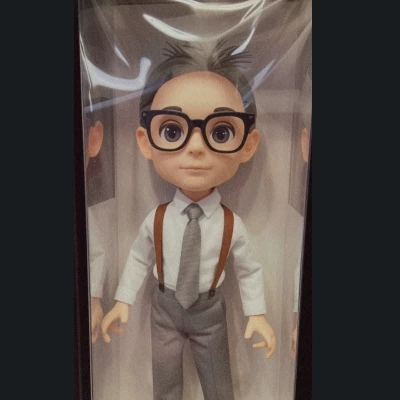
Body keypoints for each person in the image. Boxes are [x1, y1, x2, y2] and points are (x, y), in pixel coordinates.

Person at [101, 42, 276, 400]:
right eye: (172, 131)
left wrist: (257, 314)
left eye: (221, 132)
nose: (196, 148)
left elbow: (249, 270)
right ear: (145, 141)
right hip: (163, 309)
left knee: (218, 382)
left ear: (248, 144)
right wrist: (122, 301)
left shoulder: (231, 224)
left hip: (209, 311)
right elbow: (138, 258)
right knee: (164, 381)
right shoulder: (157, 218)